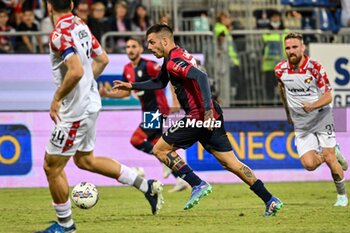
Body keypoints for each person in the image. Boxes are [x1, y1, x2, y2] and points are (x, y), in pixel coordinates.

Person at [114, 24, 284, 215]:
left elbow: (201, 77)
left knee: (159, 149)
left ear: (164, 40)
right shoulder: (175, 56)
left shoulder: (173, 61)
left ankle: (196, 183)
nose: (150, 47)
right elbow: (160, 82)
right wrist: (131, 85)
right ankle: (269, 199)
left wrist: (207, 111)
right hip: (211, 114)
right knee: (231, 163)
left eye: (152, 43)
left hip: (199, 115)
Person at [37, 1, 163, 232]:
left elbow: (75, 71)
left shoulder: (59, 34)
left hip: (75, 111)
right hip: (91, 103)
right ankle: (147, 186)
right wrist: (85, 86)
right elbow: (102, 59)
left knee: (51, 167)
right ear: (72, 4)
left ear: (48, 7)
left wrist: (57, 97)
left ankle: (66, 226)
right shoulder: (80, 25)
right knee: (85, 160)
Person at [99, 36, 189, 192]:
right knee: (158, 145)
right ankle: (181, 178)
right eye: (128, 47)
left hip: (157, 109)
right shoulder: (127, 69)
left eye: (134, 46)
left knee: (137, 139)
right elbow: (125, 93)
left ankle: (163, 163)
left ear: (140, 49)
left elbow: (169, 77)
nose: (131, 50)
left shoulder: (148, 65)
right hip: (147, 111)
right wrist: (106, 94)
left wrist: (175, 101)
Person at [275, 31, 349, 207]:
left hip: (321, 117)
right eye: (288, 48)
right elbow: (282, 89)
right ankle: (332, 151)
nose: (291, 51)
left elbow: (329, 96)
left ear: (302, 47)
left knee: (330, 159)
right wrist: (287, 113)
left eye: (294, 47)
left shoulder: (315, 68)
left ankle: (342, 196)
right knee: (308, 164)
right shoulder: (280, 69)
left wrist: (313, 105)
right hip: (301, 122)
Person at [261, 11, 286, 104]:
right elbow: (263, 50)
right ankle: (269, 106)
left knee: (282, 89)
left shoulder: (285, 33)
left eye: (277, 18)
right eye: (273, 18)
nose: (275, 20)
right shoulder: (266, 33)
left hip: (282, 66)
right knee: (269, 89)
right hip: (269, 66)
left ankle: (283, 105)